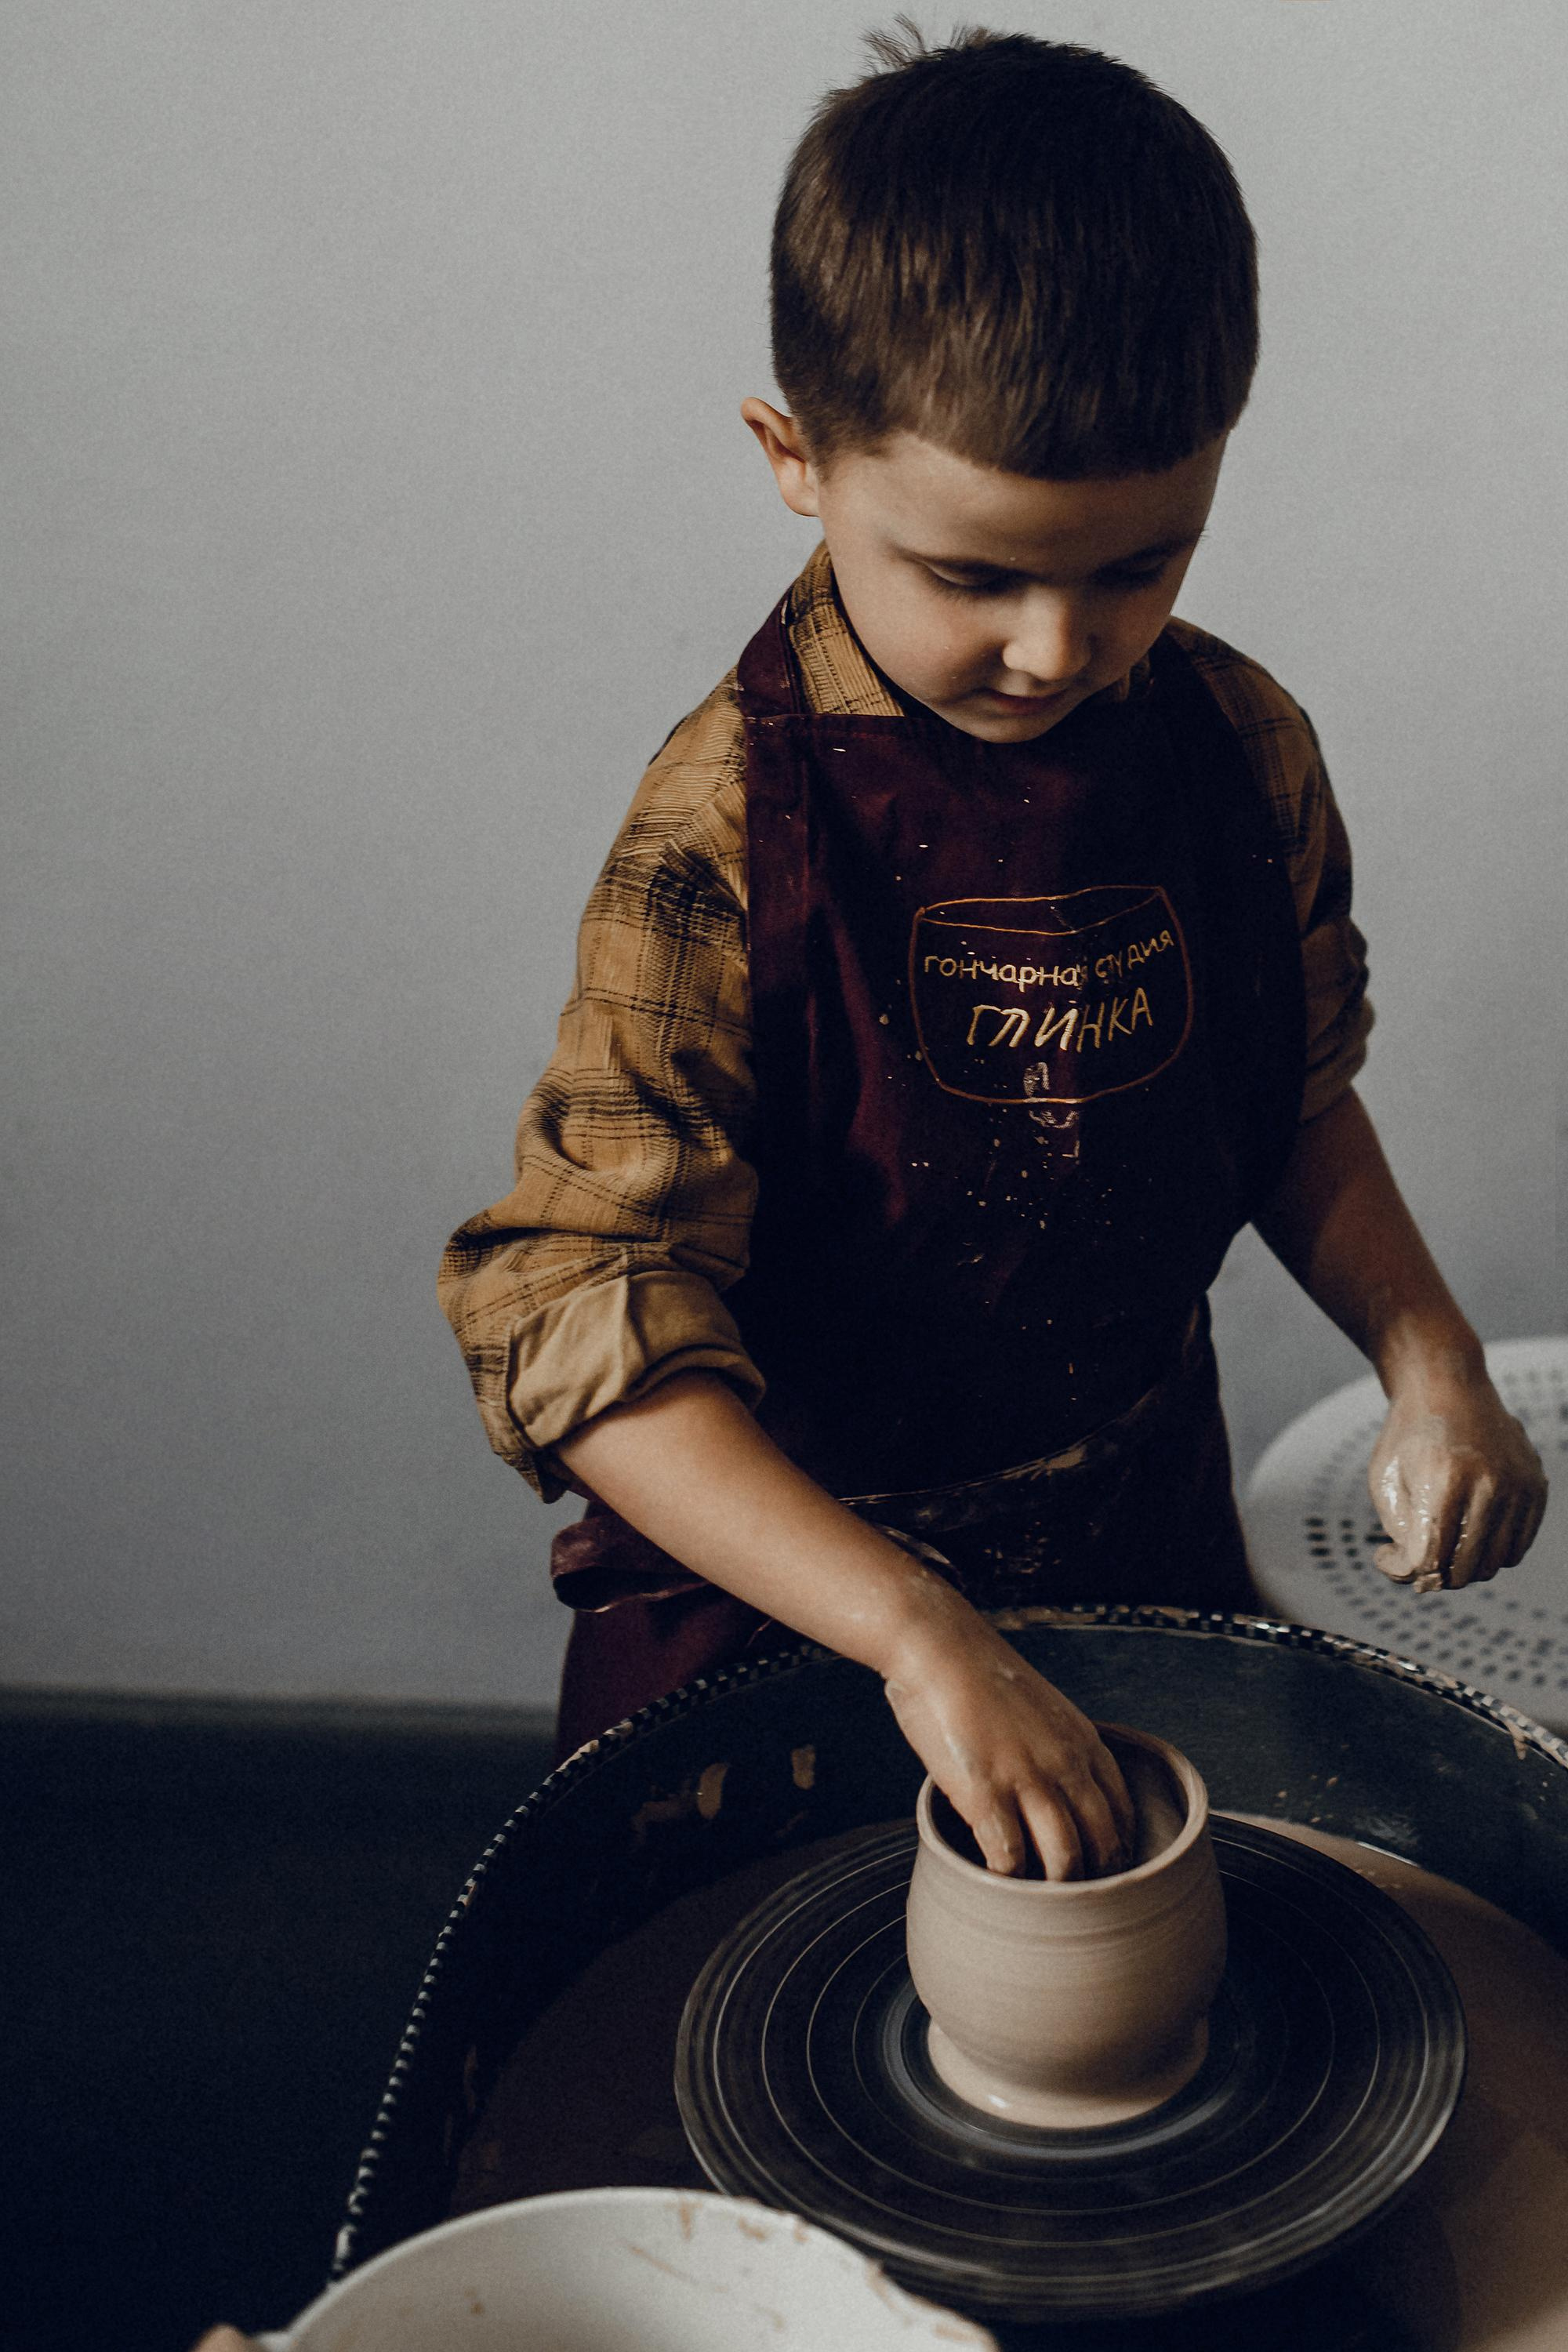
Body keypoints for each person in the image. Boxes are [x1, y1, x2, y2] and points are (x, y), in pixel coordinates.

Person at [439, 27, 1545, 1880]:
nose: (1061, 647)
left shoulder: (1237, 747)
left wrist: (1426, 1355)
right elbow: (582, 1334)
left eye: (1140, 564)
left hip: (1133, 1527)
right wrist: (916, 1633)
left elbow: (1286, 1101)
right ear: (794, 455)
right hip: (794, 1598)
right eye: (974, 576)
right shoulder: (721, 832)